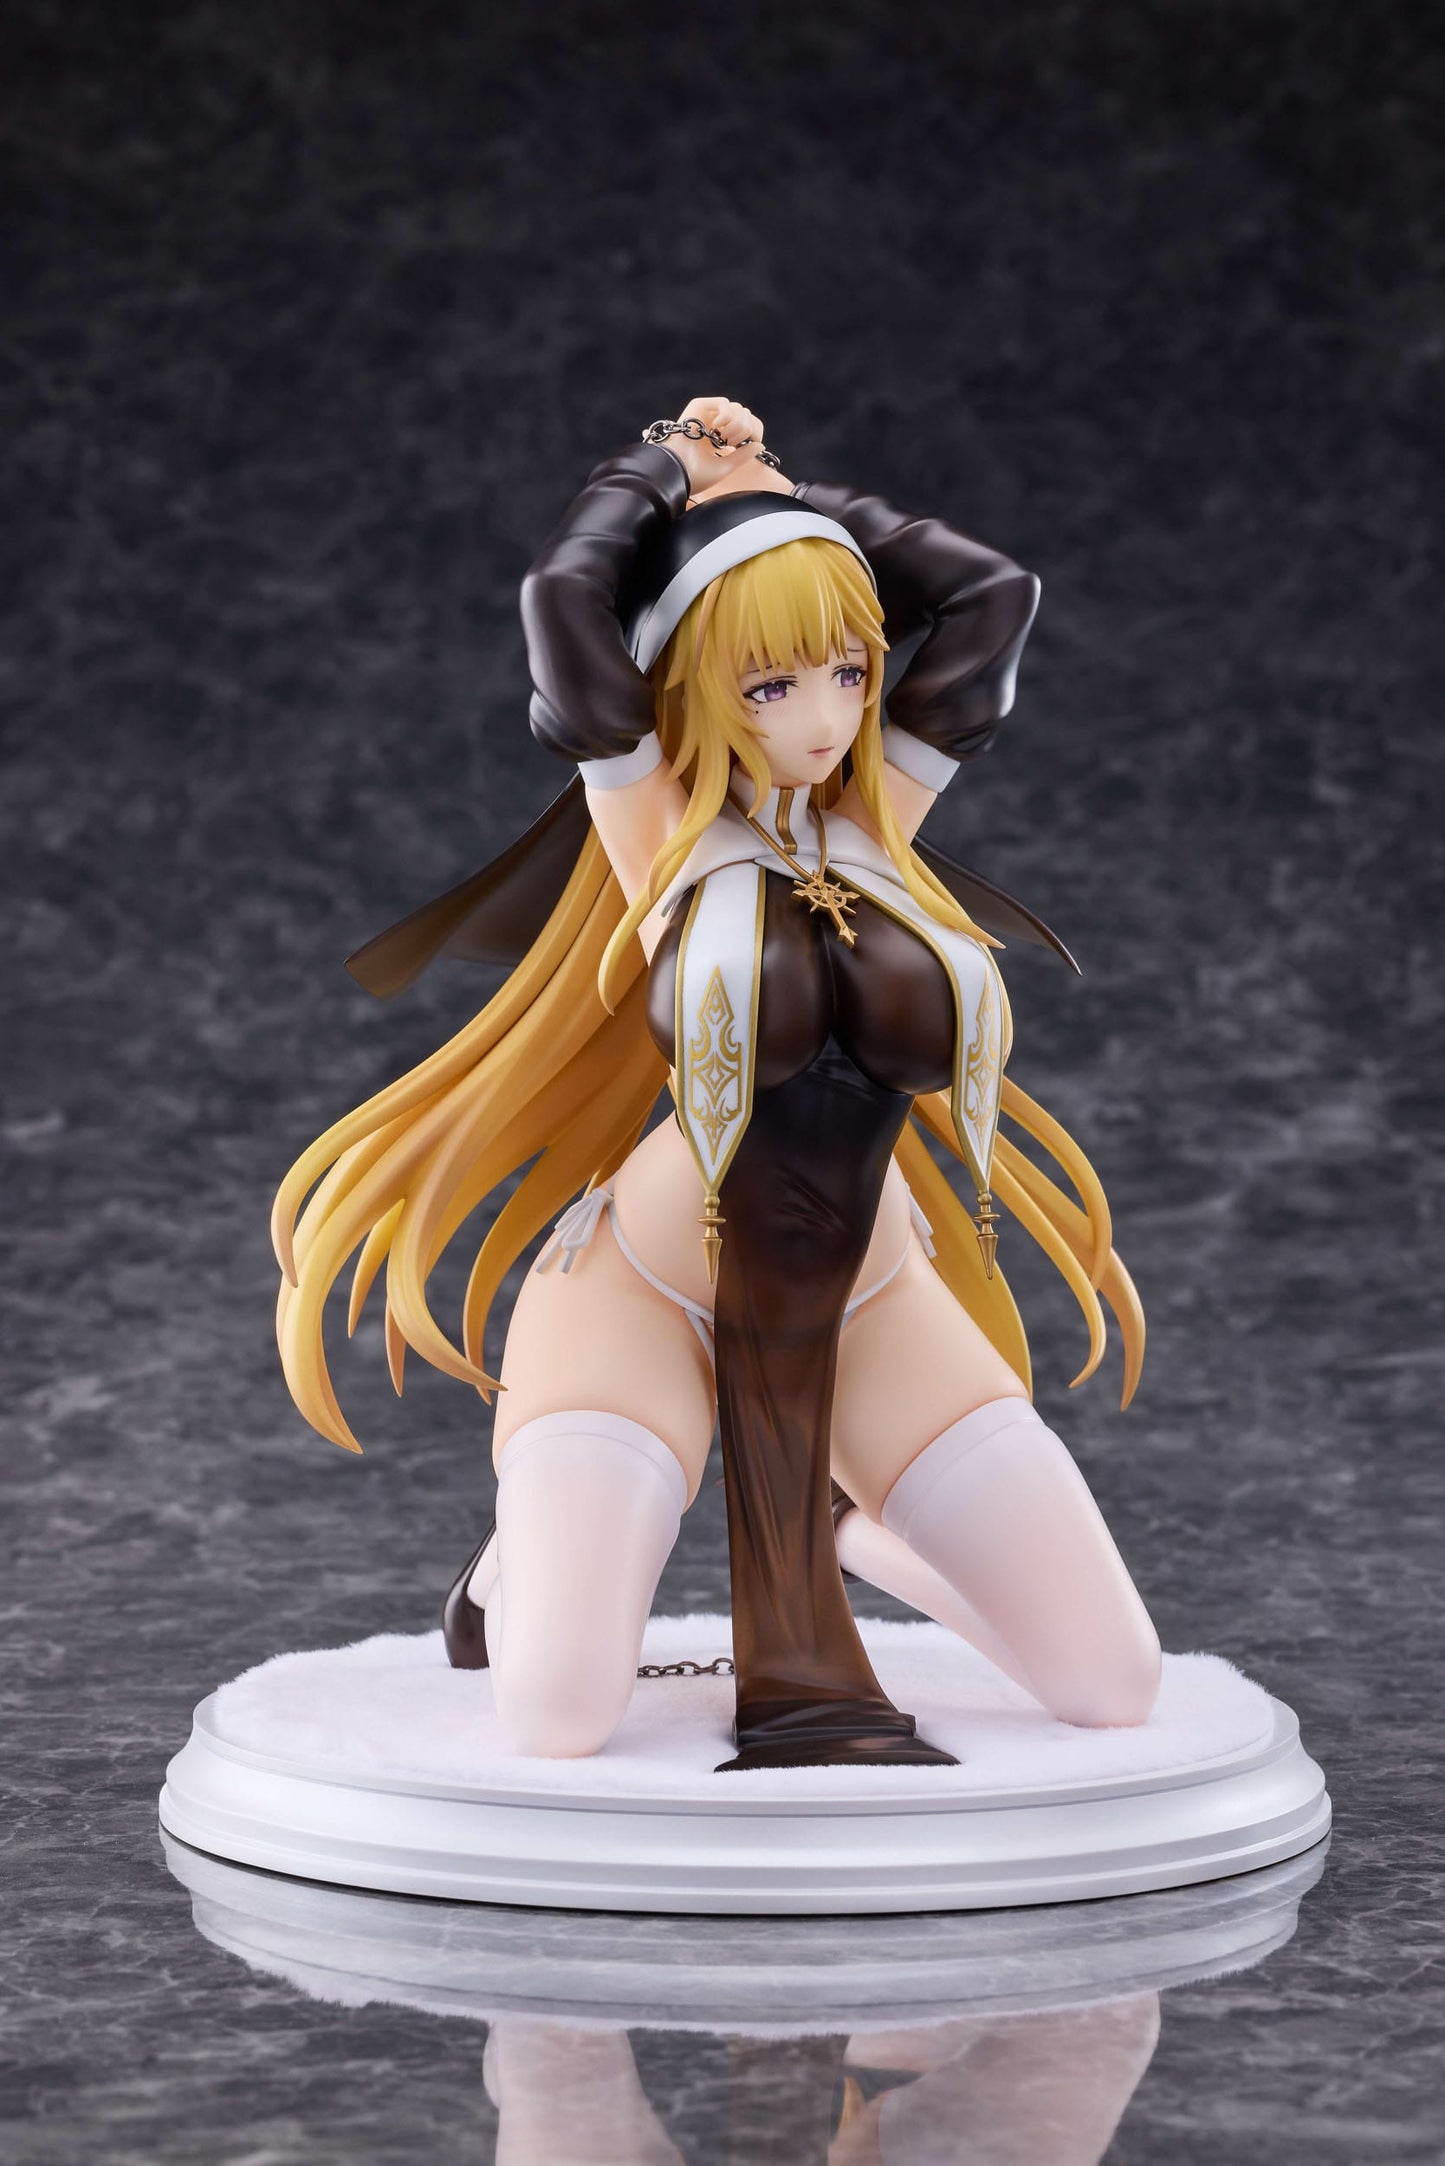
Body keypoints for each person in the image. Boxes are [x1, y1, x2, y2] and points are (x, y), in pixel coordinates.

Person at [273, 396, 1161, 1771]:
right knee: (560, 1714)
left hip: (869, 1295)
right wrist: (660, 474)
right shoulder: (659, 837)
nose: (825, 719)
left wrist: (783, 498)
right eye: (768, 687)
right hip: (644, 1292)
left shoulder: (874, 821)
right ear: (689, 690)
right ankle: (513, 1568)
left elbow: (993, 593)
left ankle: (858, 1537)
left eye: (848, 672)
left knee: (1113, 1685)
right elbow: (563, 601)